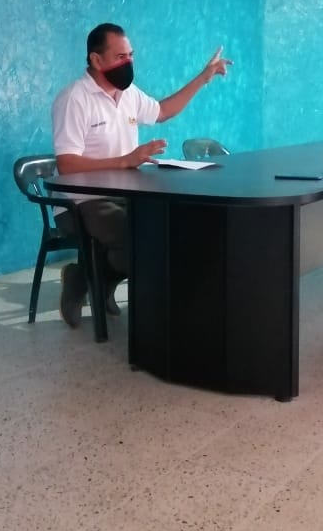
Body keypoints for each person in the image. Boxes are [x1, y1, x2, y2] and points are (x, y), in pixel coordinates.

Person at [51, 22, 232, 327]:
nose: (129, 62)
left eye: (131, 55)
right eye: (120, 56)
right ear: (96, 59)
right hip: (82, 201)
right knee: (143, 238)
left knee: (167, 228)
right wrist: (125, 161)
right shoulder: (74, 99)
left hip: (127, 194)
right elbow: (67, 164)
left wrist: (204, 77)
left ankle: (93, 277)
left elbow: (163, 111)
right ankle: (85, 277)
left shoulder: (129, 94)